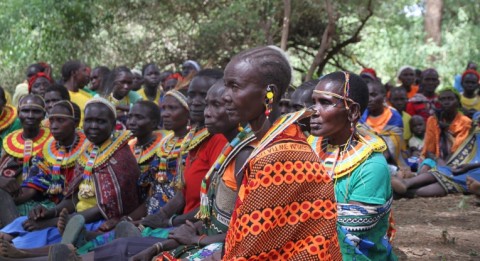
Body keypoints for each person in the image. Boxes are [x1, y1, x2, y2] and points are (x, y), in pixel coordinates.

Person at [221, 46, 340, 260]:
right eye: (226, 86)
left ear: (270, 93)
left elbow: (253, 251)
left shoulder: (277, 157)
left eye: (235, 87)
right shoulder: (277, 139)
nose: (225, 97)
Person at [0, 98, 141, 257]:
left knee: (45, 236)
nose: (93, 126)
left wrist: (55, 221)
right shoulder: (90, 151)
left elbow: (107, 209)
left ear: (113, 123)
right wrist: (50, 213)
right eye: (89, 121)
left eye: (100, 121)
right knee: (26, 224)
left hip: (99, 222)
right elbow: (73, 198)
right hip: (74, 216)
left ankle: (22, 252)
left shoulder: (120, 156)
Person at [132, 80, 256, 261]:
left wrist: (192, 236)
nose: (206, 111)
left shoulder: (244, 153)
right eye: (207, 104)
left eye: (217, 105)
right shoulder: (229, 147)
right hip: (202, 231)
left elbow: (246, 229)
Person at [309, 71, 396, 260]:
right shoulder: (309, 147)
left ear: (353, 111)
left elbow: (349, 231)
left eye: (324, 103)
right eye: (313, 102)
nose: (313, 111)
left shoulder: (372, 166)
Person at [0, 101, 85, 230]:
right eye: (52, 120)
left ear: (76, 122)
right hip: (45, 206)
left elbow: (77, 200)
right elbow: (32, 187)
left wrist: (49, 213)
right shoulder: (48, 149)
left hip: (69, 210)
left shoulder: (87, 149)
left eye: (60, 120)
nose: (54, 126)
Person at [393, 113, 480, 198]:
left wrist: (469, 166)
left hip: (474, 168)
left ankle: (405, 191)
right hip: (469, 164)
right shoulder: (476, 119)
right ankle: (405, 184)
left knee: (457, 179)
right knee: (445, 170)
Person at [0, 95, 51, 205]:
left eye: (36, 111)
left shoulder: (52, 143)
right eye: (25, 111)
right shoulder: (9, 142)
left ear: (43, 115)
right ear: (18, 113)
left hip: (38, 201)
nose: (30, 116)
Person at [361, 80, 406, 168]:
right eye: (366, 95)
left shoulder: (394, 117)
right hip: (364, 160)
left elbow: (394, 146)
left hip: (391, 162)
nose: (369, 99)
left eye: (373, 95)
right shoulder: (361, 117)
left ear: (384, 97)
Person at [422, 87, 471, 163]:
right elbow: (429, 150)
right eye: (442, 99)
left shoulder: (465, 122)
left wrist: (445, 165)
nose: (446, 102)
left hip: (459, 161)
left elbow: (458, 150)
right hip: (436, 160)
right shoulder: (433, 120)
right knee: (426, 165)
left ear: (458, 102)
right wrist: (438, 160)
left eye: (450, 99)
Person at [61, 60, 93, 127]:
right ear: (74, 73)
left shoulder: (89, 96)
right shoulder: (60, 95)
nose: (88, 74)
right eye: (84, 70)